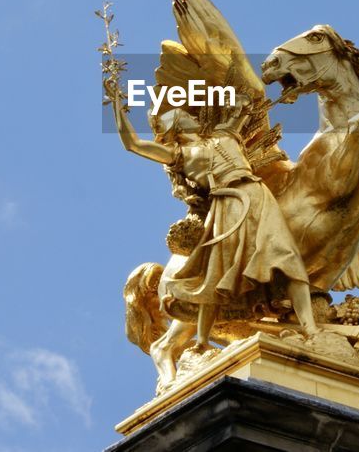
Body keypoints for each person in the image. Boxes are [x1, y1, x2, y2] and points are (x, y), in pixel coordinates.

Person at [106, 80, 320, 349]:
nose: (187, 114)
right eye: (180, 115)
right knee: (216, 273)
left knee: (287, 258)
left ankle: (310, 327)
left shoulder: (224, 134)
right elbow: (133, 144)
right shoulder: (178, 154)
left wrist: (243, 99)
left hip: (257, 194)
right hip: (226, 205)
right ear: (175, 128)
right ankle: (202, 340)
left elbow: (243, 106)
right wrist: (117, 103)